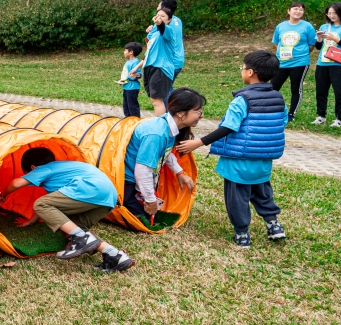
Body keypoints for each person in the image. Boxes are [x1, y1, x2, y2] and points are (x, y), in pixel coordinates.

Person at [176, 51, 285, 247]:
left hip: (238, 160)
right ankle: (273, 225)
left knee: (237, 198)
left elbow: (228, 127)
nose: (241, 71)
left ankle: (242, 234)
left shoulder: (242, 100)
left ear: (250, 72)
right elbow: (280, 122)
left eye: (242, 68)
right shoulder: (278, 98)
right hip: (263, 159)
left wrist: (199, 142)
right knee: (262, 191)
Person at [0, 147, 134, 273]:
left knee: (41, 204)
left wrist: (2, 195)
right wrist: (31, 221)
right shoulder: (64, 169)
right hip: (108, 196)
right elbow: (53, 202)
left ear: (33, 168)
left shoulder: (43, 168)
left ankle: (81, 239)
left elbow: (16, 183)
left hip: (89, 188)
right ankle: (115, 256)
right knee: (74, 227)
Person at [122, 87, 202, 220]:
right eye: (197, 111)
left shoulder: (168, 126)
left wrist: (179, 172)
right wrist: (150, 201)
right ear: (181, 113)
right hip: (126, 182)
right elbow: (142, 170)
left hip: (138, 182)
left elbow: (165, 153)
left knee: (153, 216)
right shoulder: (157, 133)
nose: (201, 115)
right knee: (145, 221)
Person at [271, 1, 319, 124]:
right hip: (281, 62)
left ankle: (291, 114)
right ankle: (270, 110)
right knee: (273, 87)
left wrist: (300, 54)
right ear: (289, 11)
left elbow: (312, 44)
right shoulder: (281, 26)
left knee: (295, 88)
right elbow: (276, 43)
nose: (298, 11)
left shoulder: (307, 26)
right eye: (295, 9)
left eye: (301, 10)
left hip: (300, 62)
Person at [312, 2, 341, 128]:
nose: (331, 16)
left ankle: (339, 119)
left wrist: (335, 39)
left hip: (339, 64)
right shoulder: (325, 26)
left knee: (340, 91)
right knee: (321, 90)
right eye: (329, 13)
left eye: (334, 13)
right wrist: (320, 38)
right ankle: (321, 116)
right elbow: (318, 47)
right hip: (322, 63)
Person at [141, 2, 180, 114]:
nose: (159, 18)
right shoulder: (154, 34)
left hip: (161, 68)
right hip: (150, 67)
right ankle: (163, 124)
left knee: (157, 100)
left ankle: (161, 126)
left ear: (169, 20)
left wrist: (159, 23)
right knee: (154, 100)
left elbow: (162, 28)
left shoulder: (169, 30)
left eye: (163, 16)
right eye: (158, 15)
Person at [119, 42, 144, 118]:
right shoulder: (128, 62)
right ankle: (128, 120)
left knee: (132, 106)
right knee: (126, 105)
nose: (124, 52)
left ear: (131, 52)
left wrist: (136, 75)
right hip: (126, 87)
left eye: (125, 50)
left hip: (132, 87)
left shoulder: (135, 62)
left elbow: (140, 74)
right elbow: (126, 74)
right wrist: (122, 80)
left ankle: (135, 121)